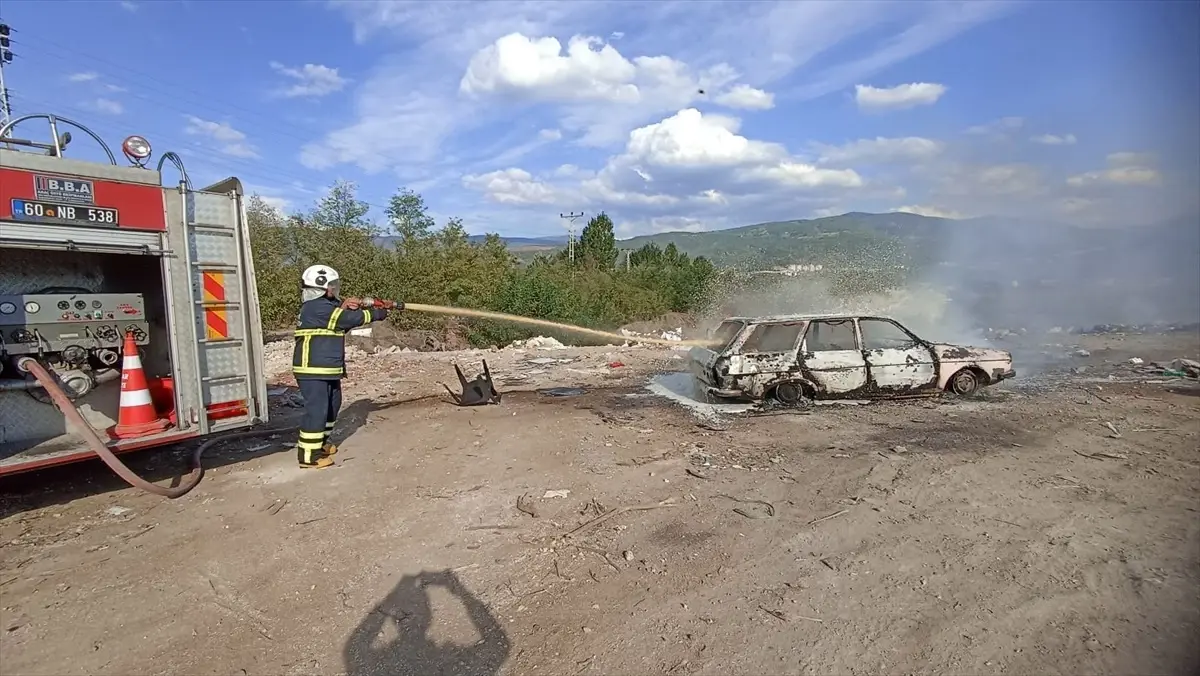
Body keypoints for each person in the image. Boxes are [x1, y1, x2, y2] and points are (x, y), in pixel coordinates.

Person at [292, 264, 401, 469]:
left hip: (327, 368)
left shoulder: (325, 306)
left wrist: (351, 305)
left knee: (332, 406)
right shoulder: (315, 307)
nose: (335, 290)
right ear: (322, 286)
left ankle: (320, 444)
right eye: (332, 286)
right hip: (312, 369)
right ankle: (308, 456)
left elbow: (341, 318)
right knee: (317, 410)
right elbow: (348, 320)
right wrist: (378, 313)